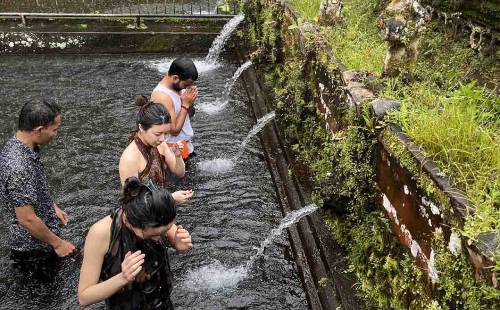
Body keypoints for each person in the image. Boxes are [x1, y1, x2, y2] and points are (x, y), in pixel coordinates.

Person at [78, 177, 192, 309]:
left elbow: (174, 238)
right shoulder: (101, 233)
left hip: (162, 302)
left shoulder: (157, 213)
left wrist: (178, 244)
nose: (159, 239)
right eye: (154, 235)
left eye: (166, 230)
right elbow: (84, 297)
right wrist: (123, 278)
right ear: (135, 223)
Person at [0, 98, 76, 279]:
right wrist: (58, 244)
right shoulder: (18, 166)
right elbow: (26, 219)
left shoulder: (22, 145)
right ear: (39, 130)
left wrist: (51, 206)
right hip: (32, 250)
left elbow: (30, 189)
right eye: (55, 129)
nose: (56, 134)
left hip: (40, 239)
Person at [119, 96, 193, 204]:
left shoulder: (160, 145)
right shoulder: (130, 158)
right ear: (141, 128)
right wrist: (171, 198)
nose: (163, 139)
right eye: (157, 134)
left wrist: (178, 156)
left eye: (166, 133)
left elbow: (180, 173)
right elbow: (133, 203)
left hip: (159, 208)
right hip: (142, 218)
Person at [151, 57, 198, 163]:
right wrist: (185, 104)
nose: (188, 87)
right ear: (175, 78)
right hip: (172, 153)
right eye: (186, 84)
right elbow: (174, 130)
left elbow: (188, 114)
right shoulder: (162, 96)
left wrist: (190, 102)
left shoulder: (177, 88)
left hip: (185, 147)